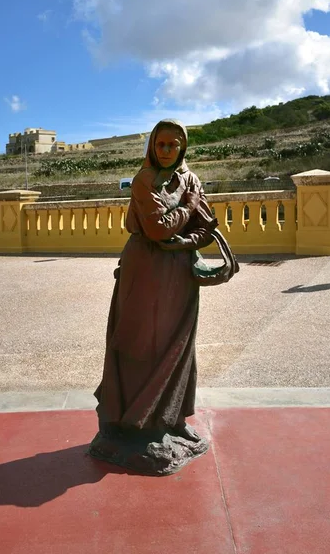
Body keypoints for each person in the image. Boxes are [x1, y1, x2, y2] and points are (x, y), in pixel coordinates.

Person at [94, 119, 217, 444]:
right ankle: (136, 423)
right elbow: (158, 229)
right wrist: (188, 206)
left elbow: (207, 225)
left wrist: (185, 242)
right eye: (160, 144)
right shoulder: (143, 180)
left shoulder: (190, 178)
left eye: (173, 145)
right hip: (146, 270)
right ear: (152, 145)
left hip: (180, 271)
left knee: (179, 344)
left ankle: (172, 417)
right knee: (142, 343)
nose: (166, 151)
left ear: (182, 147)